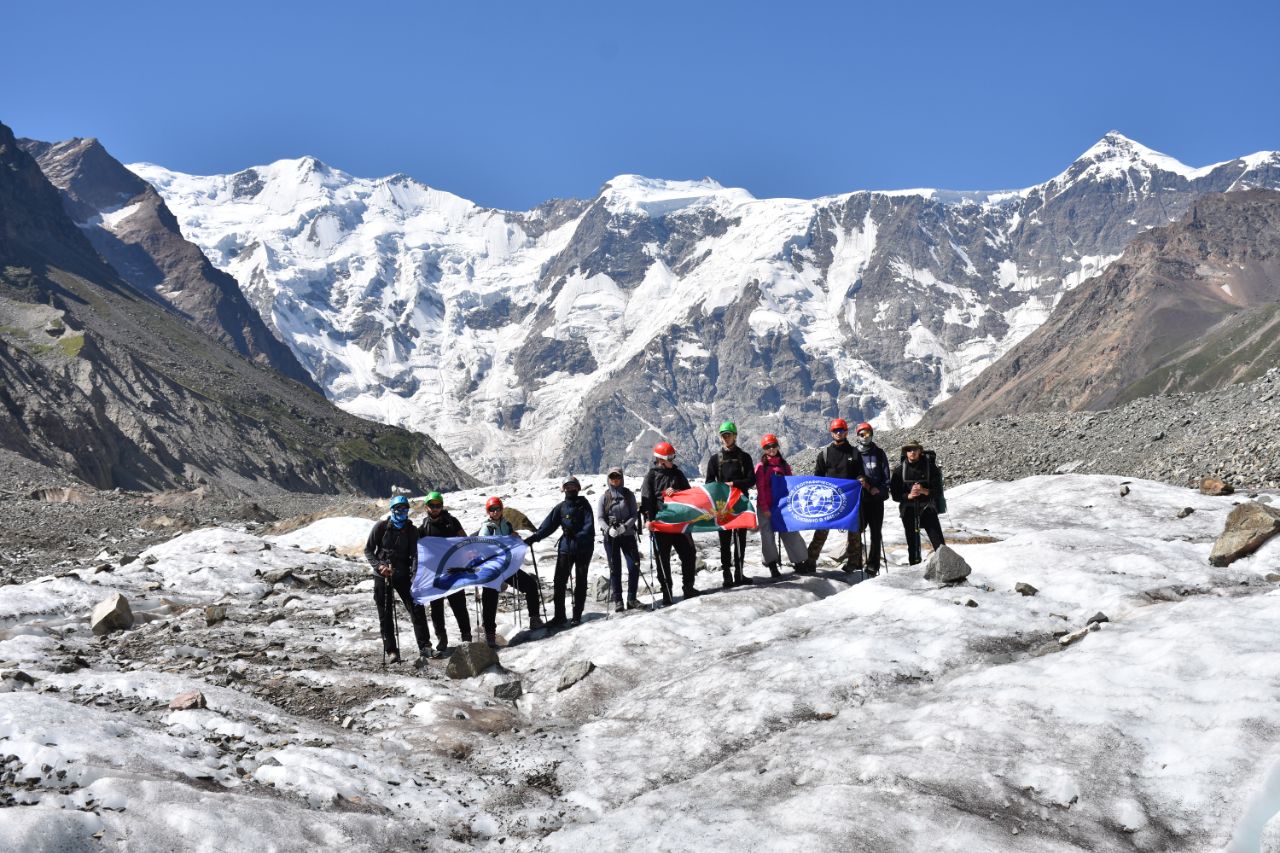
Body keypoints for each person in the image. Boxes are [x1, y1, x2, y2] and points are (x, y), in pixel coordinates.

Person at [363, 495, 433, 665]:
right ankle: (392, 650)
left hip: (403, 574)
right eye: (399, 509)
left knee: (416, 607)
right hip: (382, 575)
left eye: (405, 509)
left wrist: (415, 576)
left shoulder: (411, 530)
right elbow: (369, 550)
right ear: (393, 510)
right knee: (385, 614)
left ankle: (424, 645)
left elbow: (416, 555)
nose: (403, 512)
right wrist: (380, 566)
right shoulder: (381, 527)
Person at [525, 476, 595, 628]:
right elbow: (548, 526)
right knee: (559, 582)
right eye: (568, 487)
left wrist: (576, 535)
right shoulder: (561, 508)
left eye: (573, 487)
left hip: (583, 548)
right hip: (566, 548)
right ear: (563, 489)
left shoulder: (584, 504)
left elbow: (589, 528)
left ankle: (577, 615)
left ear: (578, 488)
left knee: (581, 581)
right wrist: (534, 538)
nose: (570, 489)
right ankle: (559, 616)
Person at [474, 496, 544, 647]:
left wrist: (515, 538)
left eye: (498, 508)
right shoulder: (486, 528)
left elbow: (512, 539)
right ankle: (490, 634)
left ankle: (534, 618)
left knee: (530, 585)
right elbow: (482, 548)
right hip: (492, 569)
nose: (496, 511)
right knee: (490, 601)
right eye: (492, 509)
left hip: (507, 567)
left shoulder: (506, 524)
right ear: (488, 512)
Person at [803, 418, 867, 574]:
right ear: (831, 433)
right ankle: (811, 561)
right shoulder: (824, 454)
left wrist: (862, 479)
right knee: (821, 530)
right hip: (828, 500)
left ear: (846, 432)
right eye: (835, 431)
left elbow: (861, 473)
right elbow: (817, 478)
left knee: (854, 531)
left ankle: (853, 563)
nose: (838, 433)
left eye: (841, 430)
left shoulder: (854, 452)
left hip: (850, 499)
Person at [639, 441, 700, 604]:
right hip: (661, 525)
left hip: (680, 524)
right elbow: (647, 500)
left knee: (689, 554)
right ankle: (667, 592)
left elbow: (689, 494)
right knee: (662, 560)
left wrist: (677, 492)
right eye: (670, 457)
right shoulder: (651, 476)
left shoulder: (678, 474)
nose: (673, 460)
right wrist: (648, 520)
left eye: (673, 457)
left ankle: (688, 587)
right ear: (661, 459)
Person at [417, 491, 473, 652]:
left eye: (438, 505)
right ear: (426, 507)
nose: (435, 508)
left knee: (459, 605)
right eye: (432, 505)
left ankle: (466, 635)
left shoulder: (452, 522)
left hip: (454, 571)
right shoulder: (423, 529)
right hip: (435, 573)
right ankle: (442, 637)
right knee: (436, 607)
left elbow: (464, 539)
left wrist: (470, 556)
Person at [705, 421, 755, 588]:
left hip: (740, 503)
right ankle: (727, 574)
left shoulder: (745, 457)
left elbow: (751, 480)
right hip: (722, 506)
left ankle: (739, 572)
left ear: (735, 436)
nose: (726, 438)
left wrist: (733, 484)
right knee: (724, 541)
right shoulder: (714, 459)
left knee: (740, 539)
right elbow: (709, 483)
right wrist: (720, 488)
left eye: (728, 435)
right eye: (723, 435)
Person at [754, 434, 809, 577]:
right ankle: (772, 565)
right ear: (764, 449)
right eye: (767, 447)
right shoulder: (761, 467)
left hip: (782, 506)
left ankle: (799, 562)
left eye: (773, 446)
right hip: (766, 506)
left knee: (791, 533)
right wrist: (765, 508)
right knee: (767, 537)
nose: (771, 449)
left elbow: (790, 486)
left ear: (778, 446)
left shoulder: (785, 465)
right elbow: (761, 489)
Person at [889, 439, 946, 565]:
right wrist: (908, 496)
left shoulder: (931, 468)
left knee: (939, 543)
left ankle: (945, 566)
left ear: (920, 451)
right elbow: (895, 494)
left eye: (915, 449)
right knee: (912, 544)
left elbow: (937, 491)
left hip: (927, 508)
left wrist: (924, 491)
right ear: (905, 452)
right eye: (909, 450)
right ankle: (915, 567)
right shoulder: (899, 471)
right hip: (908, 510)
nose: (912, 452)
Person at [597, 467, 641, 611]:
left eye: (617, 477)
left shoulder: (629, 495)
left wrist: (625, 527)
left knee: (633, 565)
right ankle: (618, 600)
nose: (615, 479)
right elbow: (600, 518)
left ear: (622, 478)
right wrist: (608, 529)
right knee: (615, 568)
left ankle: (631, 598)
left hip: (627, 536)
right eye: (612, 477)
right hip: (611, 538)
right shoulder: (605, 497)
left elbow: (634, 514)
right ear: (608, 479)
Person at [853, 421, 891, 577]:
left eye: (867, 433)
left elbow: (886, 477)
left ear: (872, 434)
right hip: (860, 500)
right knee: (856, 530)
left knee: (876, 533)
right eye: (862, 434)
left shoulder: (880, 453)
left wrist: (880, 490)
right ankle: (854, 560)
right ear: (858, 436)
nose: (865, 437)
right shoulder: (854, 453)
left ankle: (873, 564)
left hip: (876, 500)